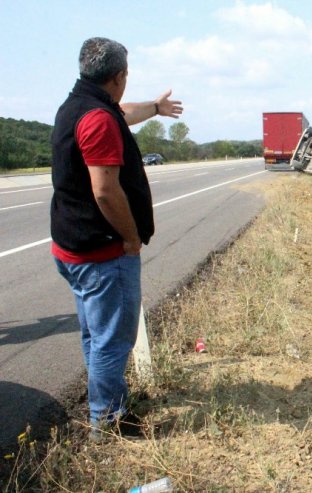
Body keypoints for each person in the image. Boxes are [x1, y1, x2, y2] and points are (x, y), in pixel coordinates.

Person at [50, 37, 183, 438]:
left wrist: (156, 109)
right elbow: (106, 190)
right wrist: (129, 238)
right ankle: (108, 422)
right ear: (119, 76)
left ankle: (107, 403)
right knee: (112, 340)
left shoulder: (79, 106)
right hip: (103, 252)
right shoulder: (98, 120)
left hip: (73, 247)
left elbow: (122, 111)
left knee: (95, 333)